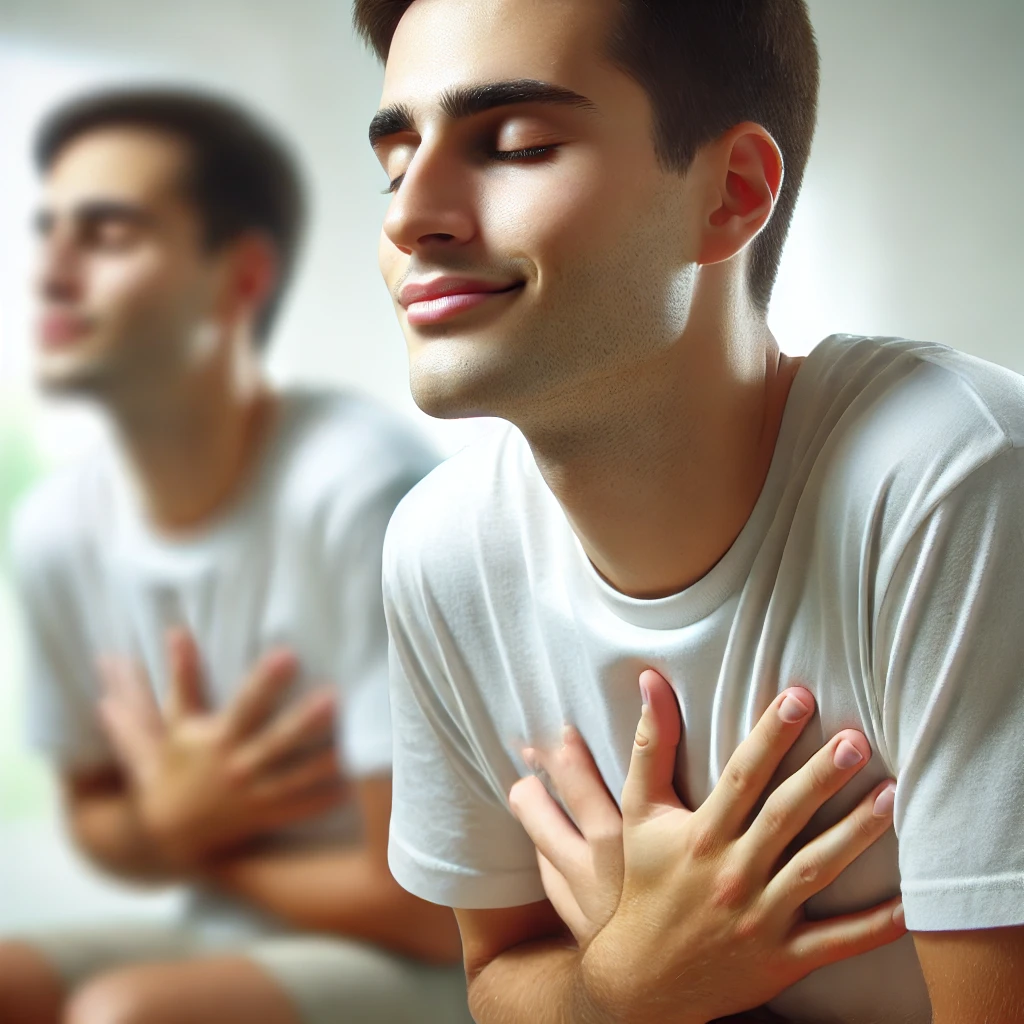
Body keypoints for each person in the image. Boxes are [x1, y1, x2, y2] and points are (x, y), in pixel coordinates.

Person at [354, 0, 1024, 1021]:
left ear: (731, 193)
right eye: (398, 158)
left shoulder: (953, 473)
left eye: (518, 144)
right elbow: (498, 982)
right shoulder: (443, 548)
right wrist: (625, 979)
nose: (409, 216)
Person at [0, 87, 472, 1024]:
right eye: (47, 229)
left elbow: (430, 910)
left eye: (107, 234)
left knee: (124, 1016)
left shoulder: (358, 494)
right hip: (238, 926)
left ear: (241, 278)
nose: (50, 271)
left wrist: (191, 838)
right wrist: (167, 826)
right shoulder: (55, 526)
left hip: (437, 954)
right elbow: (98, 818)